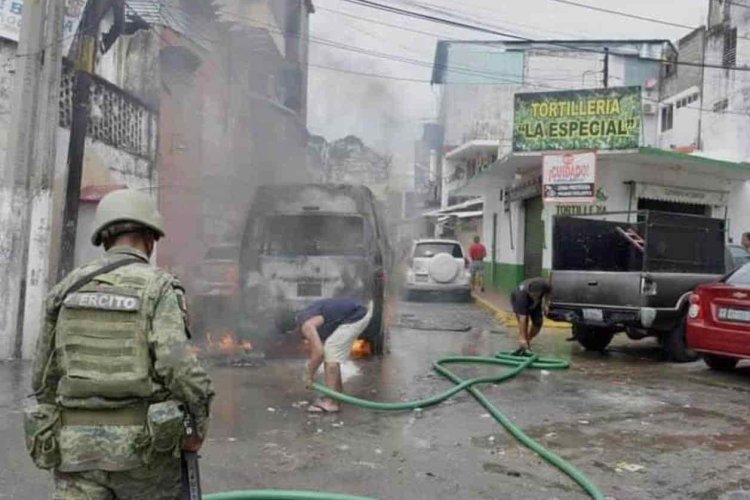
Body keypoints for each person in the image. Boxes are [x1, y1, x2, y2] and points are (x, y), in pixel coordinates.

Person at [29, 189, 214, 499]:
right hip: (142, 454)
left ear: (104, 238)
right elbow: (177, 366)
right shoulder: (159, 287)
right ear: (150, 237)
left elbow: (43, 378)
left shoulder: (66, 289)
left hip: (76, 451)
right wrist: (198, 424)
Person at [296, 298, 373, 413]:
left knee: (331, 353)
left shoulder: (306, 324)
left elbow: (319, 352)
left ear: (291, 330)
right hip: (358, 312)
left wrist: (309, 377)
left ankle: (331, 403)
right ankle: (336, 396)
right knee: (331, 352)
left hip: (356, 316)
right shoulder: (306, 314)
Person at [510, 277, 552, 355]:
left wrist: (546, 304)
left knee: (538, 323)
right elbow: (522, 318)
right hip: (517, 298)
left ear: (540, 292)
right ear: (529, 292)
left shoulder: (545, 285)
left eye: (535, 295)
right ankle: (523, 343)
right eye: (531, 295)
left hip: (536, 303)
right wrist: (522, 338)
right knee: (524, 323)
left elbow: (548, 291)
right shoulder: (521, 296)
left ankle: (528, 340)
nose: (533, 296)